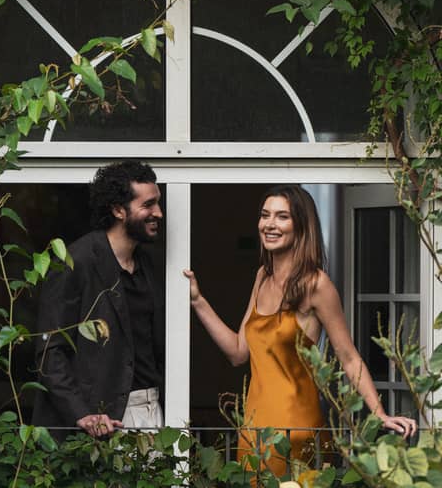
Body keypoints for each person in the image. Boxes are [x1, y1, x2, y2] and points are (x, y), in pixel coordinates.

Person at [183, 184, 417, 474]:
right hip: (253, 432)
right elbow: (238, 352)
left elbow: (348, 357)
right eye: (265, 215)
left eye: (282, 217)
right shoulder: (262, 277)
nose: (269, 224)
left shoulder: (315, 285)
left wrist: (379, 413)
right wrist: (198, 301)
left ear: (301, 226)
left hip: (297, 433)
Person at [32, 161, 165, 440]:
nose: (158, 213)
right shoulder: (75, 261)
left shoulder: (148, 265)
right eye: (148, 205)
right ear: (118, 210)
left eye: (158, 203)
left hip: (151, 407)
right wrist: (82, 413)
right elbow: (50, 350)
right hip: (102, 419)